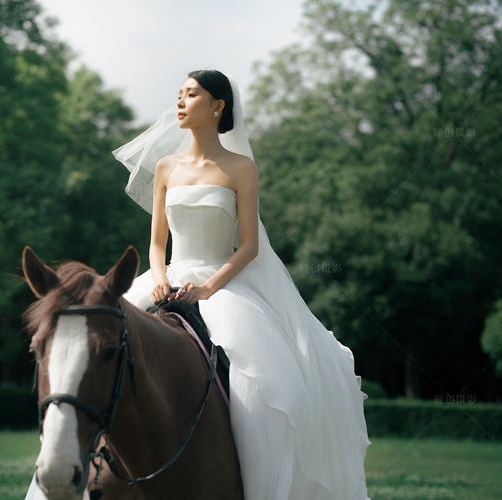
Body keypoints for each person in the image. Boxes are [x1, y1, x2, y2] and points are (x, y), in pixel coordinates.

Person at [115, 70, 371, 500]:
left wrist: (208, 288)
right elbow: (157, 243)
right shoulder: (165, 168)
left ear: (218, 106)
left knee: (267, 380)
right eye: (179, 94)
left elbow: (249, 246)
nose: (179, 102)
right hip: (166, 280)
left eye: (191, 94)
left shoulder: (241, 168)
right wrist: (159, 279)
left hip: (219, 284)